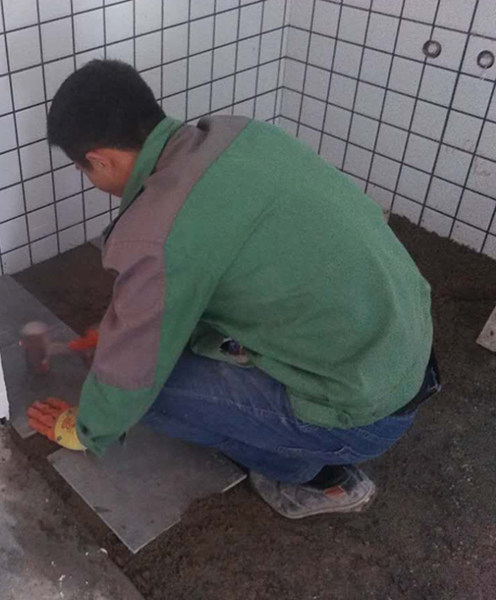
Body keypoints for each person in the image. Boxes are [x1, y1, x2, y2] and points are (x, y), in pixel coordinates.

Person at [27, 60, 440, 519]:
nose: (91, 179)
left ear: (101, 159)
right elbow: (207, 268)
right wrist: (123, 332)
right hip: (406, 348)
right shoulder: (240, 135)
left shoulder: (158, 231)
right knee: (160, 349)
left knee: (151, 394)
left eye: (85, 169)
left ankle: (317, 476)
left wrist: (86, 429)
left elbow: (132, 374)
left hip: (365, 410)